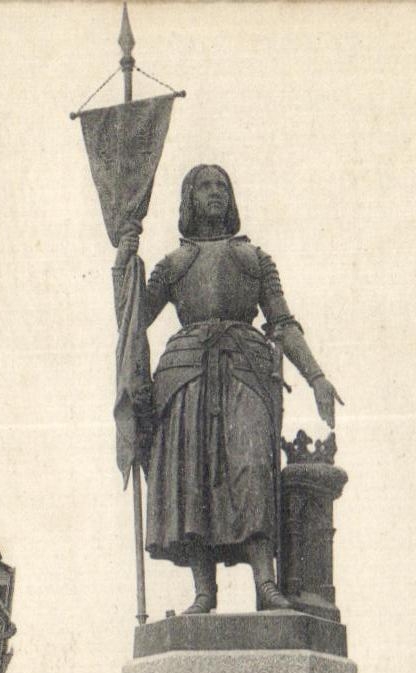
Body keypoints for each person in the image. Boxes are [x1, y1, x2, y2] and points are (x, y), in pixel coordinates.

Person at [114, 164, 340, 613]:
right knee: (192, 478)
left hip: (244, 370)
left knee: (252, 467)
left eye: (222, 186)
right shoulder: (174, 264)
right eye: (205, 187)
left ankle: (266, 583)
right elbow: (133, 319)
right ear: (189, 199)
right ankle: (204, 591)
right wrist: (125, 261)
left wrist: (316, 376)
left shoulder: (254, 259)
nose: (215, 193)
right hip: (186, 376)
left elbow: (282, 322)